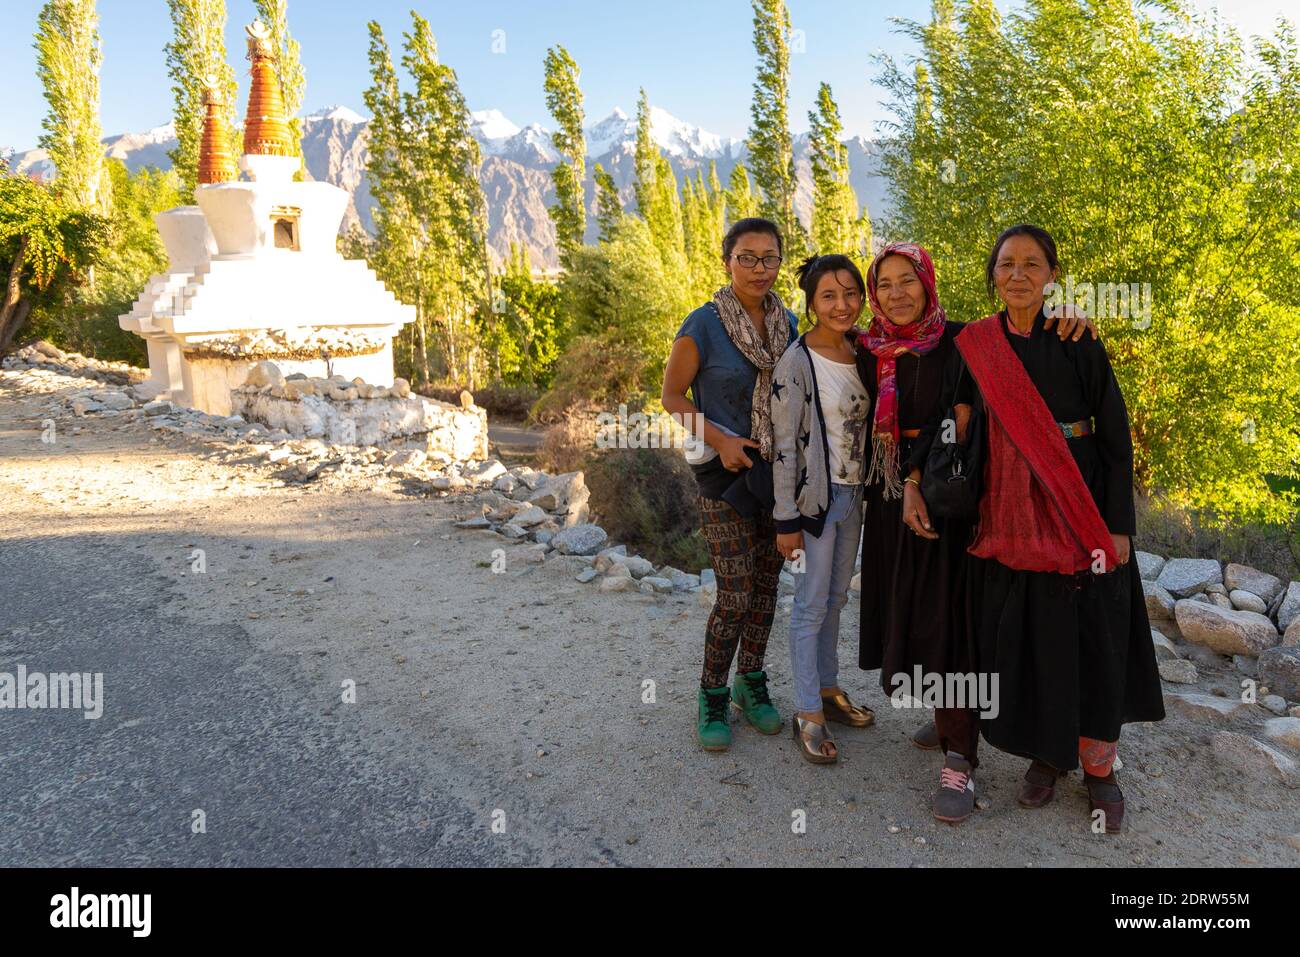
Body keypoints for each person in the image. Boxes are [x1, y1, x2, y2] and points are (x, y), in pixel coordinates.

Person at [919, 224, 1164, 831]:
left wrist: (1119, 526)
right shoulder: (975, 345)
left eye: (1033, 264)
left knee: (1091, 641)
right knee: (1032, 645)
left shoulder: (1077, 339)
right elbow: (953, 426)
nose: (1019, 275)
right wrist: (918, 485)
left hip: (1078, 509)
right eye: (1007, 264)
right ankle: (1045, 760)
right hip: (1005, 521)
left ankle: (1100, 772)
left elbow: (1112, 437)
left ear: (1053, 275)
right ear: (992, 276)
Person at [861, 241, 1097, 822]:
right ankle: (951, 718)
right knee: (923, 619)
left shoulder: (967, 340)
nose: (897, 293)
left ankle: (961, 754)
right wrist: (911, 479)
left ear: (929, 282)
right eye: (885, 282)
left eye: (907, 280)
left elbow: (1028, 352)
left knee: (966, 624)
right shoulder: (864, 345)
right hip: (903, 497)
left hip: (976, 504)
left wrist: (1068, 313)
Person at [661, 217, 799, 752]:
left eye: (769, 258)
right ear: (727, 261)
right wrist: (721, 441)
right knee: (736, 591)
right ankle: (712, 693)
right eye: (748, 257)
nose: (759, 268)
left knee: (767, 589)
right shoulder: (702, 326)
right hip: (724, 475)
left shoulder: (787, 323)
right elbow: (673, 398)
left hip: (775, 472)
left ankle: (752, 683)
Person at [772, 254, 875, 764]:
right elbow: (785, 447)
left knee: (836, 598)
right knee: (811, 603)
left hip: (854, 496)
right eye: (828, 296)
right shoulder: (797, 363)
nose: (842, 305)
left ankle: (830, 690)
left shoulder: (864, 350)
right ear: (811, 303)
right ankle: (807, 710)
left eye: (851, 293)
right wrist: (785, 519)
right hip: (815, 502)